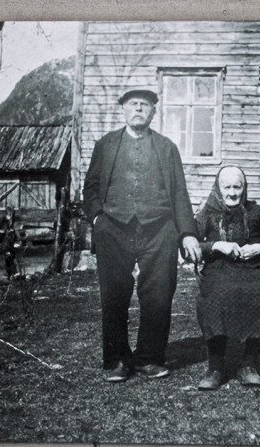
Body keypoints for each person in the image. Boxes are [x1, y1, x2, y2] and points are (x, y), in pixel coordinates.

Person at [82, 87, 202, 382]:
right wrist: (98, 219)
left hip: (159, 228)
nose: (138, 109)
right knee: (114, 296)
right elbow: (91, 188)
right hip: (114, 228)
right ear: (123, 109)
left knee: (159, 295)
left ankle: (150, 358)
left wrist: (186, 232)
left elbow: (179, 194)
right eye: (133, 104)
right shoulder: (106, 145)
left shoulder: (166, 148)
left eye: (145, 105)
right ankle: (117, 360)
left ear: (153, 112)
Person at [194, 166, 260, 390]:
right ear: (218, 189)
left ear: (244, 188)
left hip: (254, 271)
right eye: (226, 187)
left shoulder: (258, 212)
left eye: (237, 187)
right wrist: (217, 245)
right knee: (217, 294)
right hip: (218, 272)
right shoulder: (208, 215)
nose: (232, 193)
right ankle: (215, 367)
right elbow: (189, 247)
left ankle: (248, 364)